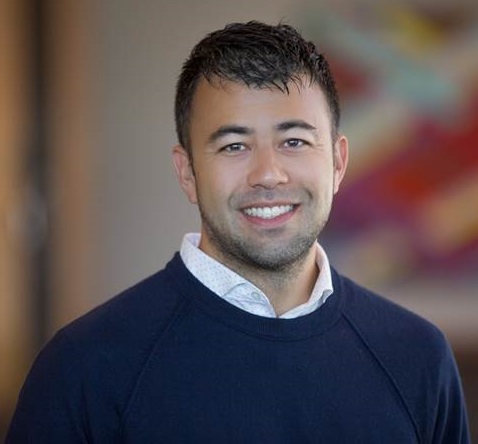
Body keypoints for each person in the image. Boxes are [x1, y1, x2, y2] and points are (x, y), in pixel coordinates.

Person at [6, 21, 470, 443]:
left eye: (294, 141)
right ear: (187, 173)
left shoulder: (418, 358)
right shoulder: (84, 368)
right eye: (233, 145)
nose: (267, 174)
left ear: (338, 162)